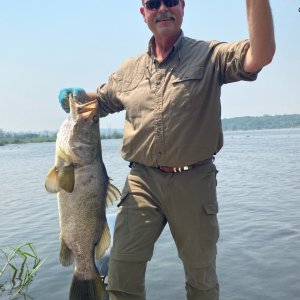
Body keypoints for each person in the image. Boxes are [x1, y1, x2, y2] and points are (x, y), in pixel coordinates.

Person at [59, 1, 275, 299]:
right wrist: (79, 95)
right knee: (121, 274)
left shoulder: (210, 55)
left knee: (201, 278)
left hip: (194, 180)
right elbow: (102, 99)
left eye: (171, 0)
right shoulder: (129, 70)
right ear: (143, 13)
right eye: (153, 3)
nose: (162, 8)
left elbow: (260, 55)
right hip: (141, 183)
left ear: (183, 7)